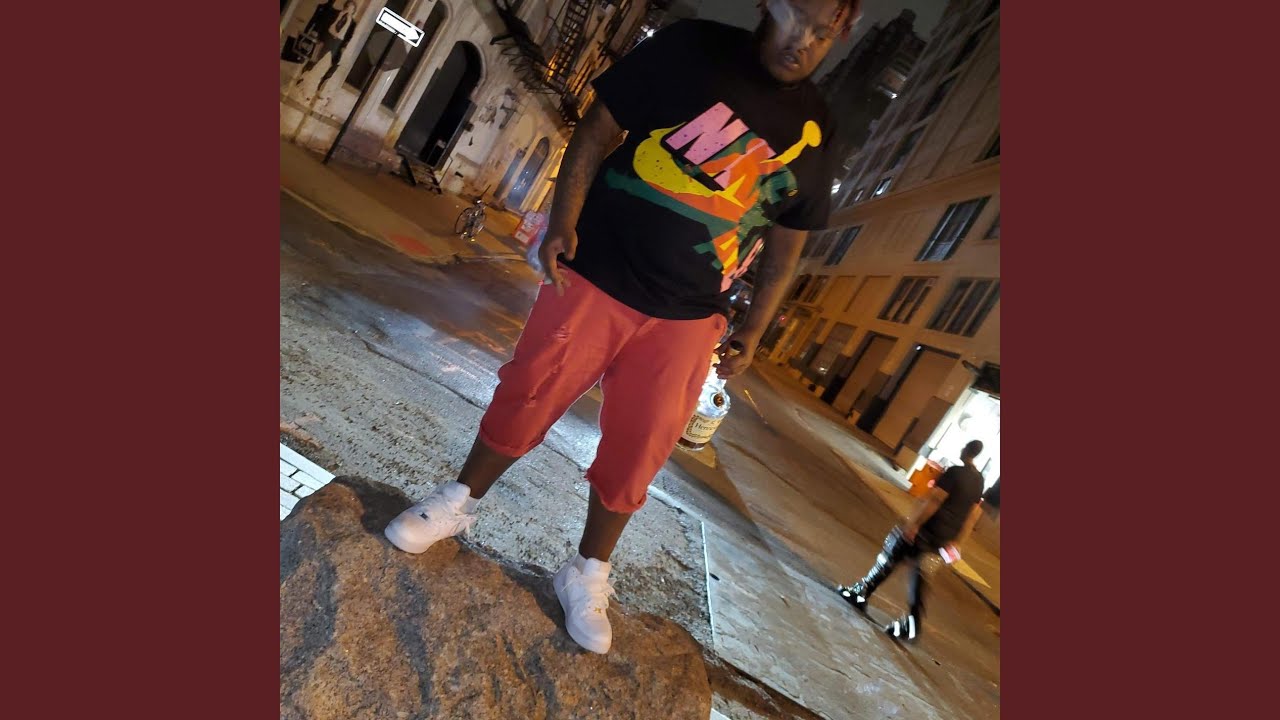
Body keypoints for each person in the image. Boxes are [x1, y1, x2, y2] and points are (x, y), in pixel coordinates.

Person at [384, 0, 859, 654]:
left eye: (822, 33)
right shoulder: (692, 48)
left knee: (643, 446)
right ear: (767, 6)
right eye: (795, 17)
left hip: (691, 314)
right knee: (529, 390)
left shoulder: (819, 128)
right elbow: (597, 128)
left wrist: (756, 327)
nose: (802, 41)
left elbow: (787, 242)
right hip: (599, 271)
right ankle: (457, 500)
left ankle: (587, 571)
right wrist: (562, 222)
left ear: (840, 36)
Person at [837, 440, 987, 642]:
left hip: (927, 530)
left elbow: (935, 500)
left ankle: (861, 593)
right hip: (944, 538)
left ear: (966, 450)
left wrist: (914, 524)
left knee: (890, 558)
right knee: (920, 578)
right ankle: (912, 624)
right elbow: (972, 516)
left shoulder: (954, 473)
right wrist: (958, 541)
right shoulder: (979, 482)